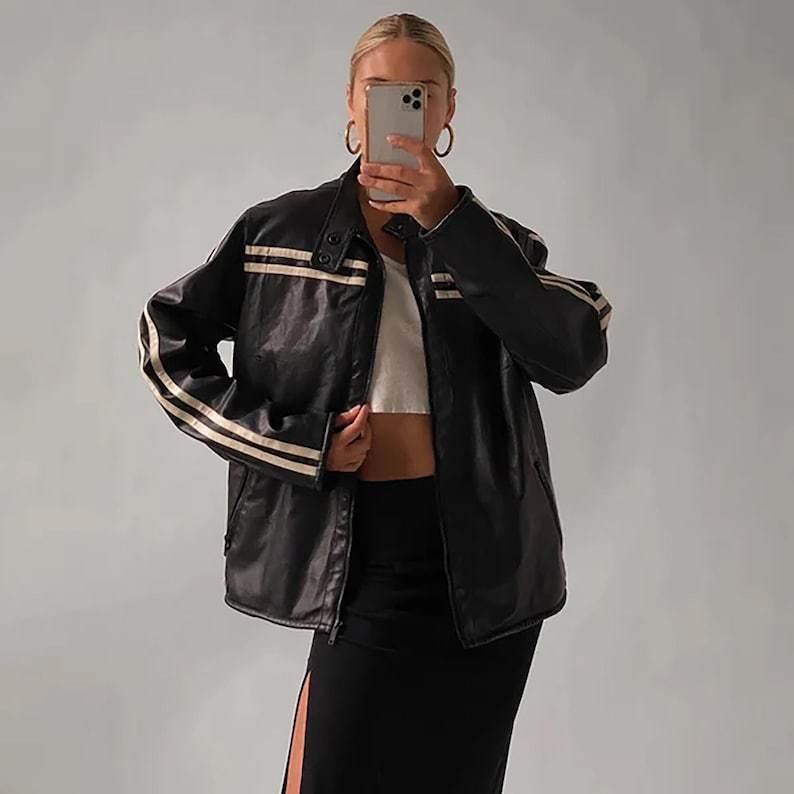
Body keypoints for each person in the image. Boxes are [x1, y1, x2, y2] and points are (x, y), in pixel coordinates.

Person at [138, 12, 612, 793]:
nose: (400, 105)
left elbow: (572, 353)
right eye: (380, 88)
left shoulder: (494, 242)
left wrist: (453, 222)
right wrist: (297, 443)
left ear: (448, 110)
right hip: (360, 554)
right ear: (352, 105)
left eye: (420, 92)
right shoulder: (279, 232)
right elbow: (166, 342)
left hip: (483, 563)